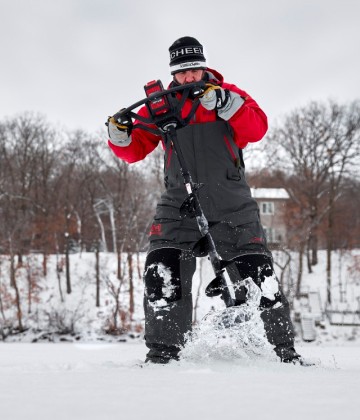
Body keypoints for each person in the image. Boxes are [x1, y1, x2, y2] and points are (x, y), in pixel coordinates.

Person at [107, 36, 303, 365]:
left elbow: (256, 128)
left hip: (232, 204)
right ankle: (163, 356)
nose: (189, 78)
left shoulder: (230, 94)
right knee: (161, 269)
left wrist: (227, 105)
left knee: (260, 276)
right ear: (173, 74)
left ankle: (283, 353)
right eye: (182, 73)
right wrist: (119, 134)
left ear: (203, 67)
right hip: (177, 203)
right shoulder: (160, 105)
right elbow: (134, 150)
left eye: (194, 70)